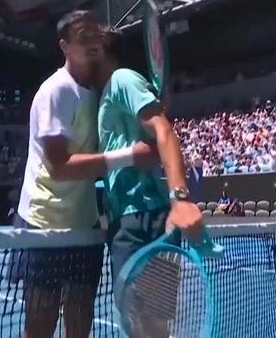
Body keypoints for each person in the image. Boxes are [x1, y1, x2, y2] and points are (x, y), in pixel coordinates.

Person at [11, 10, 157, 338]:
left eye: (96, 36)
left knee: (80, 320)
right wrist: (130, 156)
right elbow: (59, 167)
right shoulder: (56, 91)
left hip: (85, 224)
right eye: (83, 37)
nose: (92, 43)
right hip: (44, 222)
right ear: (65, 46)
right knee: (40, 324)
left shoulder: (100, 91)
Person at [95, 28, 203, 338]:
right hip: (125, 218)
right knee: (140, 323)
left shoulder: (122, 79)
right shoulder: (106, 94)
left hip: (145, 218)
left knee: (150, 323)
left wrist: (180, 198)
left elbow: (164, 132)